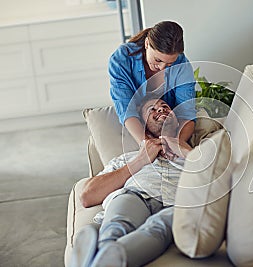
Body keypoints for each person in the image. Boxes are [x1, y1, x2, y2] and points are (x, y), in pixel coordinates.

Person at [70, 94, 193, 267]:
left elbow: (219, 177)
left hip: (177, 203)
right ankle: (106, 249)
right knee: (116, 227)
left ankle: (96, 257)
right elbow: (87, 196)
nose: (161, 109)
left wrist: (181, 148)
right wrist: (141, 160)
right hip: (136, 196)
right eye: (152, 110)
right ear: (143, 126)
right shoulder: (128, 158)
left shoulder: (198, 154)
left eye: (165, 107)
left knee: (158, 228)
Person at [109, 20, 196, 153]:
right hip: (137, 129)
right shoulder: (122, 59)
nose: (161, 68)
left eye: (169, 64)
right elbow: (126, 109)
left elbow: (187, 114)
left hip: (170, 131)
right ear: (147, 44)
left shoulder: (181, 66)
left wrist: (176, 144)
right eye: (158, 60)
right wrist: (147, 145)